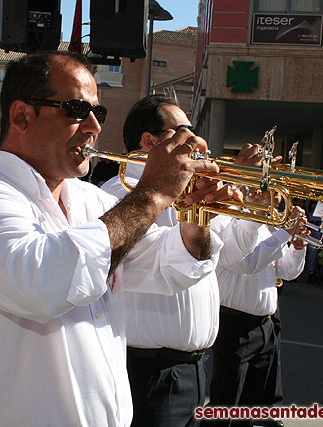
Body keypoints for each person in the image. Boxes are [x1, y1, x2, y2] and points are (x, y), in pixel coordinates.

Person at [0, 51, 238, 427]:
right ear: (22, 116)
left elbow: (164, 269)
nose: (94, 126)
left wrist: (197, 218)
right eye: (77, 109)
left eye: (100, 112)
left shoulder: (90, 198)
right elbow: (45, 285)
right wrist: (153, 194)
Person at [99, 95, 223, 426]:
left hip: (191, 369)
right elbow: (156, 264)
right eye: (182, 130)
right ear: (149, 141)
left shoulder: (186, 187)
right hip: (149, 369)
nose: (196, 140)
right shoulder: (118, 192)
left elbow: (220, 256)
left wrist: (207, 210)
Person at [208, 192, 308, 427]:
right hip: (234, 324)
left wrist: (298, 245)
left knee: (252, 406)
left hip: (265, 324)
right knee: (226, 404)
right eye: (268, 193)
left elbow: (286, 271)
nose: (275, 199)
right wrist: (285, 234)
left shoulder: (265, 226)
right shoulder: (229, 222)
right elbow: (247, 264)